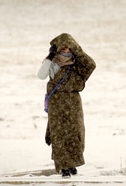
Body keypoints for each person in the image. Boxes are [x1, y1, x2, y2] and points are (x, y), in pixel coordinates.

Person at [37, 33, 96, 177]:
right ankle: (64, 166)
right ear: (57, 49)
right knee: (58, 135)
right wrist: (50, 57)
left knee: (75, 133)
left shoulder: (78, 63)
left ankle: (73, 163)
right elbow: (41, 75)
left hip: (73, 102)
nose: (66, 52)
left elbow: (92, 65)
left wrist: (79, 51)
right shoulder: (52, 63)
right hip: (56, 103)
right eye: (62, 49)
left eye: (69, 48)